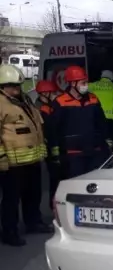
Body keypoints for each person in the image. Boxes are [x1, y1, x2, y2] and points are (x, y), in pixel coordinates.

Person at [0, 65, 52, 246]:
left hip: (31, 159)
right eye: (13, 86)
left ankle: (33, 222)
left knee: (33, 194)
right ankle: (9, 231)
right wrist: (2, 158)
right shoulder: (1, 103)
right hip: (13, 163)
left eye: (18, 85)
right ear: (3, 86)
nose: (17, 89)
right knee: (11, 200)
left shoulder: (24, 101)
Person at [48, 66, 111, 180]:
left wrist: (106, 142)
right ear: (72, 83)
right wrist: (56, 151)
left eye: (86, 82)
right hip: (73, 154)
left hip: (94, 151)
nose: (86, 85)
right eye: (83, 82)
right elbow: (54, 129)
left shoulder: (93, 99)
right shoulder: (60, 102)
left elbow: (101, 123)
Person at [35, 79, 60, 210]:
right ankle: (53, 206)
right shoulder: (41, 110)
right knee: (55, 179)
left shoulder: (46, 107)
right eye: (53, 92)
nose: (55, 94)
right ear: (45, 94)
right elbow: (49, 131)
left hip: (52, 147)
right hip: (49, 148)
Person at [89, 70, 113, 150]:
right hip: (112, 119)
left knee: (99, 141)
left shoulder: (92, 86)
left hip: (96, 118)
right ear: (112, 77)